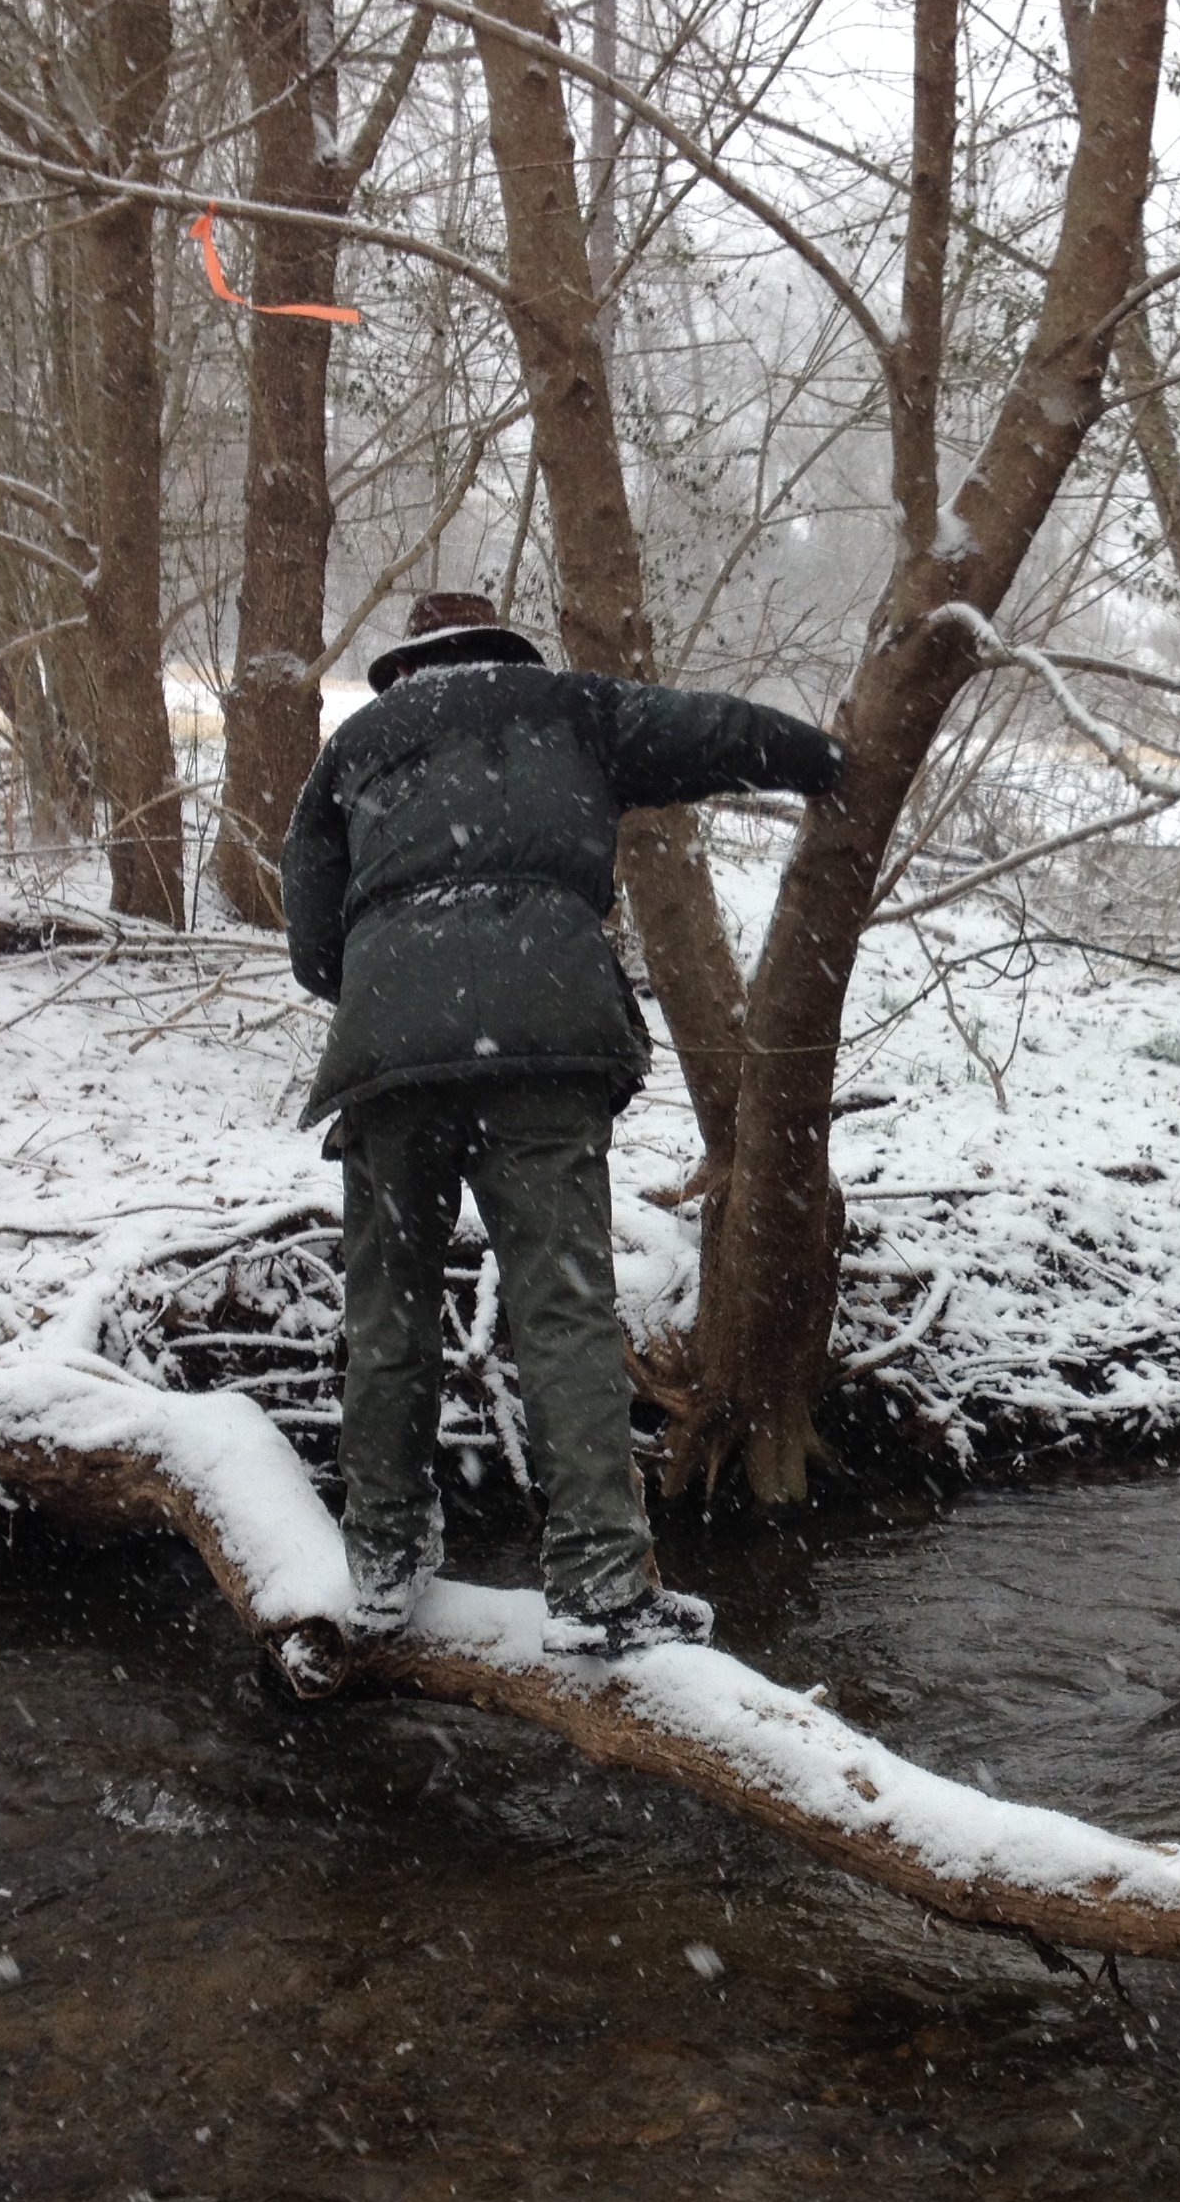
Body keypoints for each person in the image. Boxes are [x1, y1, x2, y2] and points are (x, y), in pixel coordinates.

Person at [279, 590, 843, 1678]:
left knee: (389, 1316)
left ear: (408, 663)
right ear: (501, 646)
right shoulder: (571, 708)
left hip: (390, 1063)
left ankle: (383, 1566)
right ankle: (598, 1584)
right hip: (546, 1044)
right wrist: (823, 758)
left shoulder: (354, 746)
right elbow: (716, 733)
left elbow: (311, 943)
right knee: (564, 1311)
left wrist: (400, 979)